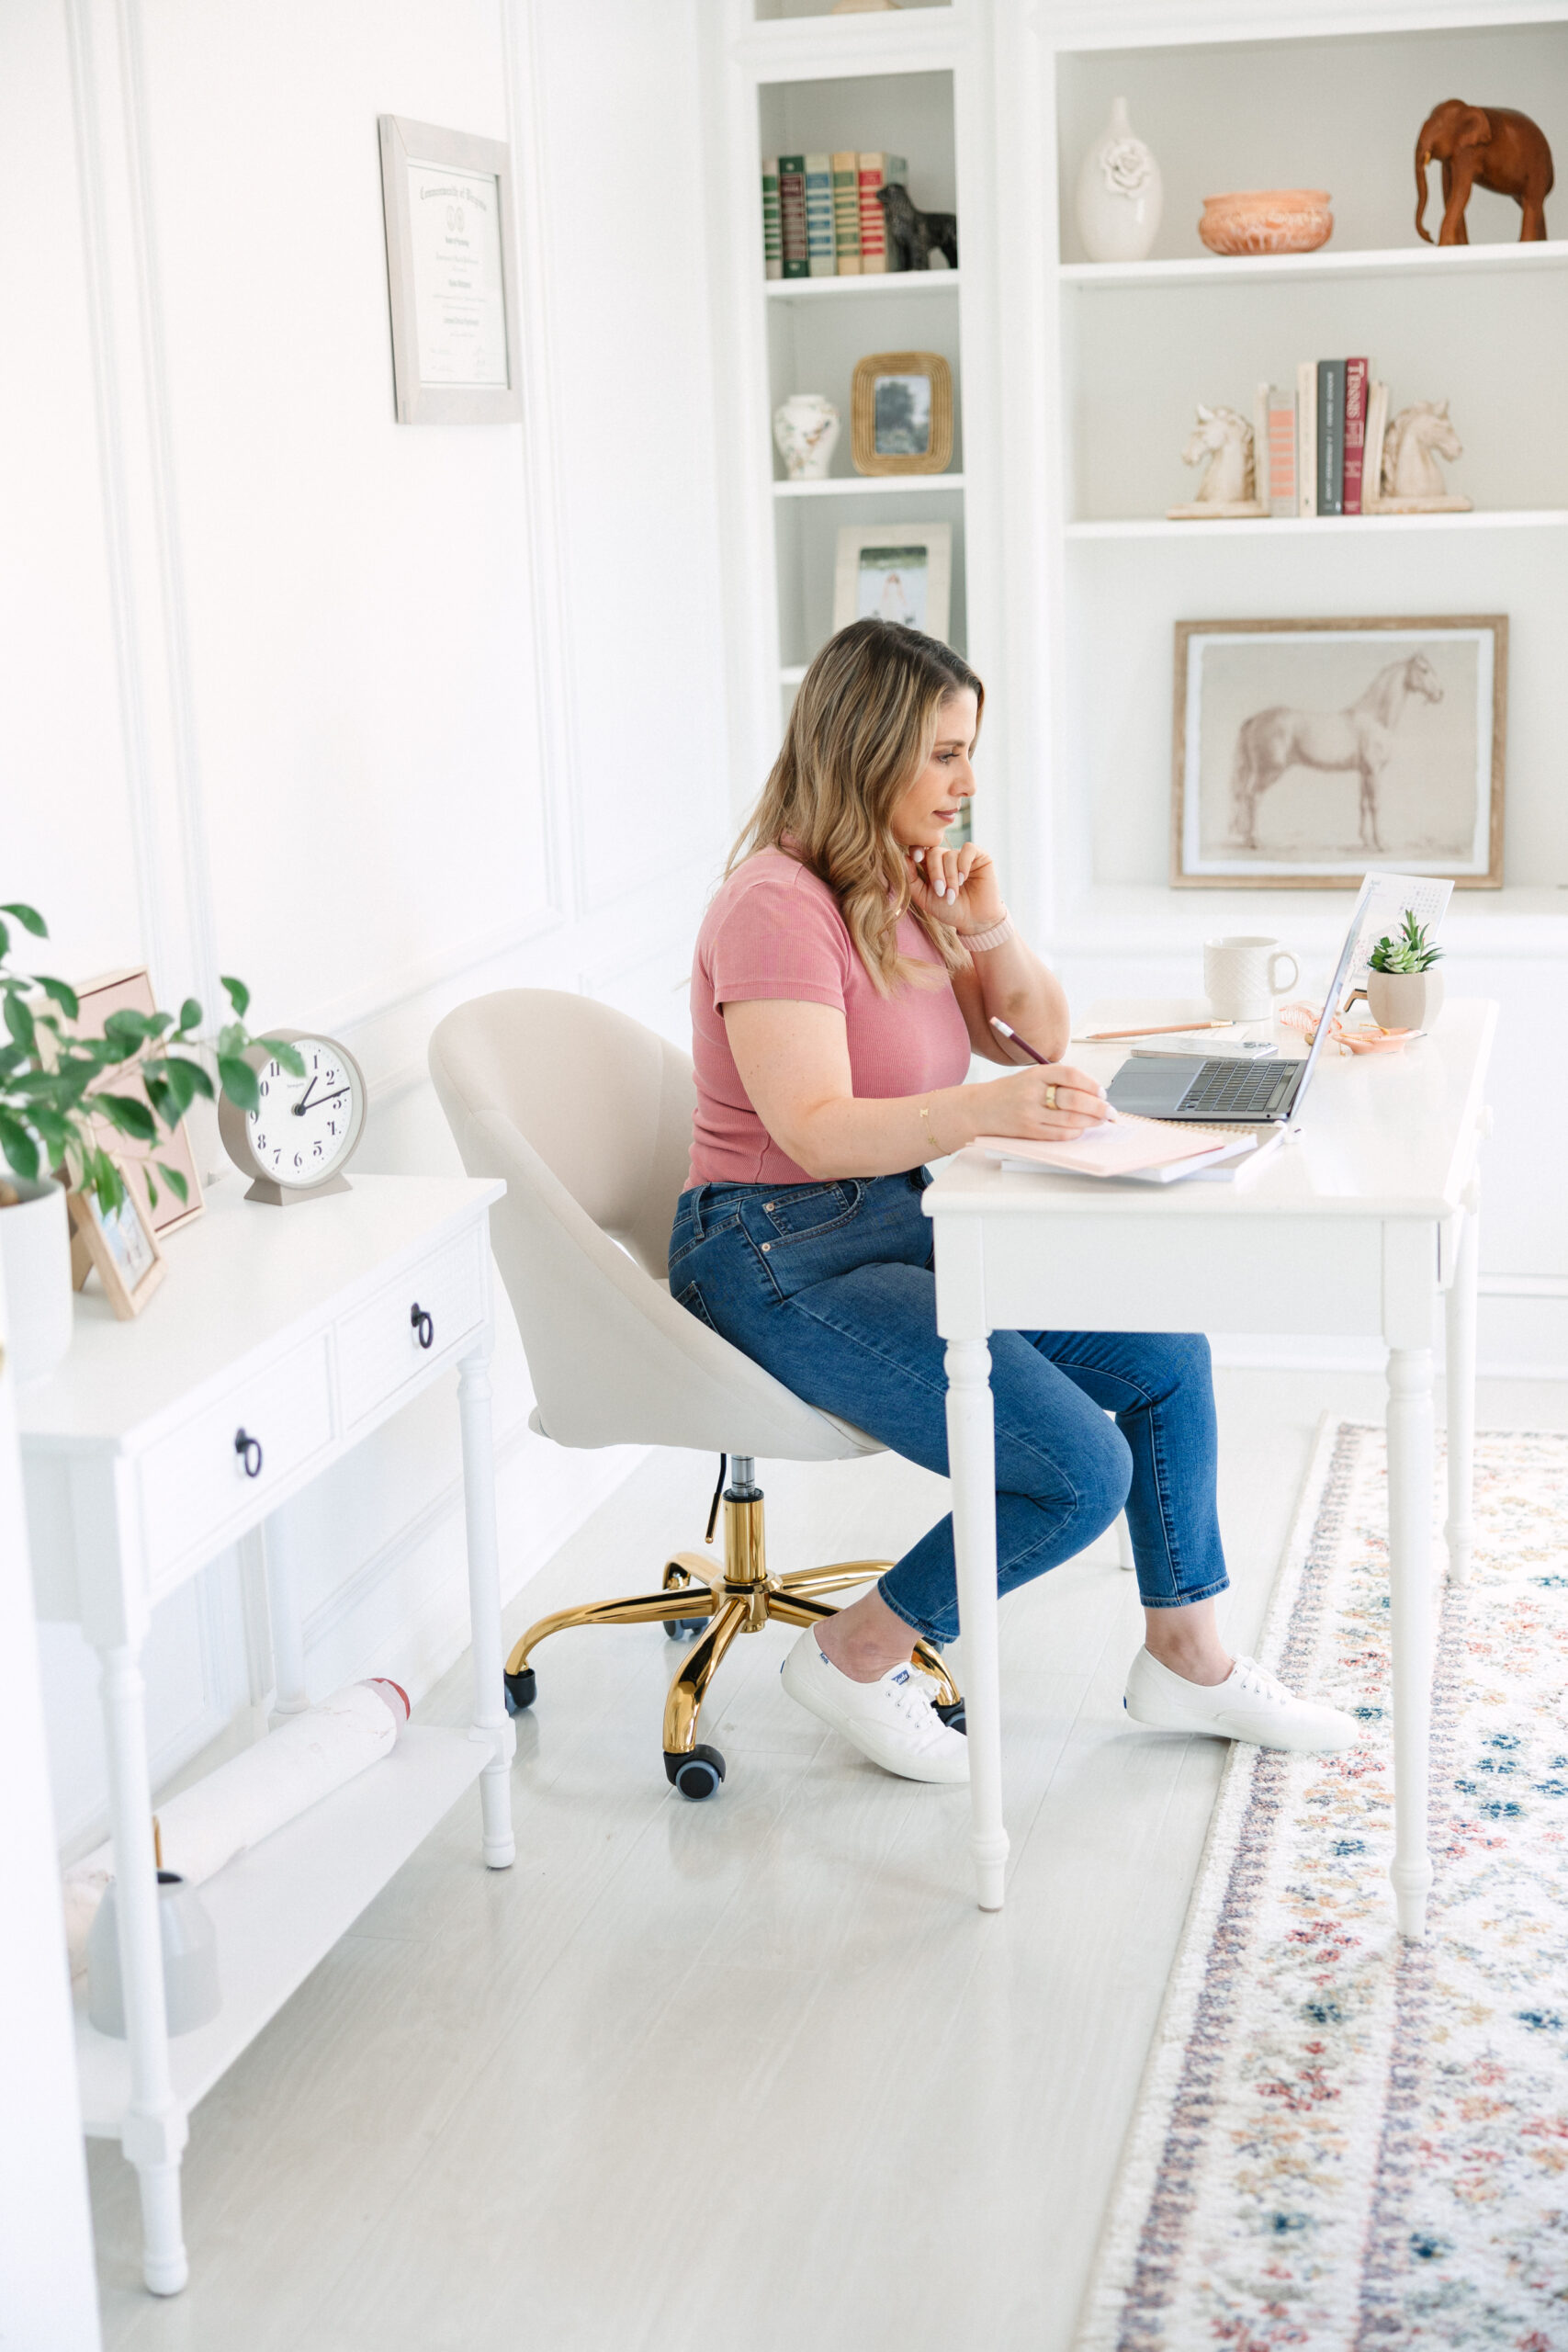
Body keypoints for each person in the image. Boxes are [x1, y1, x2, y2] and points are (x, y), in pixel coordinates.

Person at [669, 620, 1355, 1784]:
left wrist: (981, 920)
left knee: (1166, 1358)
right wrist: (986, 1116)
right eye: (943, 753)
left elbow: (1035, 1031)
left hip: (890, 1218)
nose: (967, 782)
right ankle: (854, 1654)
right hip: (774, 1253)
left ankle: (1186, 1655)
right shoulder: (774, 907)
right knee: (1079, 1471)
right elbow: (812, 1127)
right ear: (865, 747)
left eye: (968, 751)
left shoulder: (895, 883)